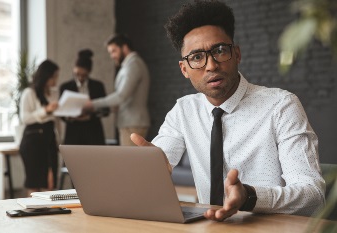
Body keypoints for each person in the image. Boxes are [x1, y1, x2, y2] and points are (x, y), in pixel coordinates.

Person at [130, 0, 325, 221]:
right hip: (208, 226)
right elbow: (160, 159)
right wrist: (152, 169)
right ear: (184, 69)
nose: (211, 65)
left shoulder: (281, 106)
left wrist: (250, 197)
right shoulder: (184, 110)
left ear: (237, 54)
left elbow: (314, 195)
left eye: (220, 51)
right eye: (197, 57)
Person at [83, 34, 150, 146]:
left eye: (114, 51)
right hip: (130, 123)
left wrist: (92, 104)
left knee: (128, 163)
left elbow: (121, 96)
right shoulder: (129, 65)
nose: (112, 56)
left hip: (132, 124)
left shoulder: (133, 64)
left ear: (124, 48)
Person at [19, 59, 60, 196]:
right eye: (53, 76)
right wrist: (45, 110)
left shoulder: (53, 93)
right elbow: (25, 118)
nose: (55, 80)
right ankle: (32, 214)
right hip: (33, 141)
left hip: (49, 138)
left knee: (50, 182)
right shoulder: (29, 93)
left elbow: (56, 120)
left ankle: (49, 216)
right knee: (34, 183)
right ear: (46, 76)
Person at [60, 49, 109, 145]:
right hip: (73, 133)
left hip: (93, 132)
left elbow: (106, 110)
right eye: (77, 74)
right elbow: (61, 113)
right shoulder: (65, 87)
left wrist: (91, 114)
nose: (80, 78)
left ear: (89, 72)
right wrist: (70, 116)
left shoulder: (98, 86)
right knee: (72, 159)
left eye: (83, 75)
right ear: (74, 69)